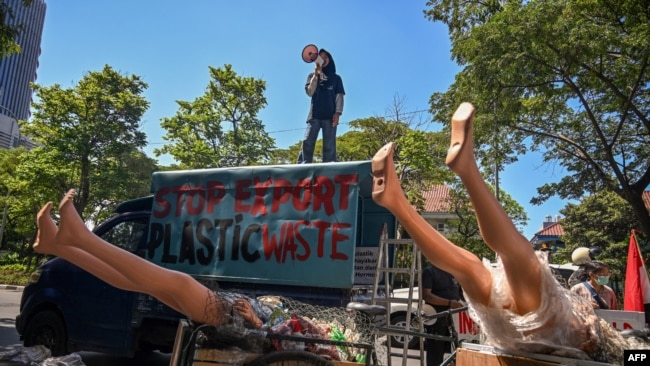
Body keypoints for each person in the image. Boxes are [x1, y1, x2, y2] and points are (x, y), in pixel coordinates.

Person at [369, 102, 642, 364]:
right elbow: (634, 354)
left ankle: (462, 173)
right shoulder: (630, 351)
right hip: (513, 334)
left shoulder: (627, 350)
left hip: (553, 334)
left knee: (512, 256)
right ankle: (399, 202)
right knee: (470, 267)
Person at [33, 190, 265, 329]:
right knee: (143, 284)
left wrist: (258, 323)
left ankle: (80, 238)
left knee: (180, 283)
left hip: (238, 324)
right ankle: (59, 246)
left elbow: (289, 342)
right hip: (238, 314)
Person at [298, 48, 345, 163]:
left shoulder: (336, 78)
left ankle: (329, 168)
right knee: (307, 140)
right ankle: (302, 166)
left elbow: (339, 96)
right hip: (314, 115)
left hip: (330, 117)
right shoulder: (311, 76)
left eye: (325, 57)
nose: (323, 59)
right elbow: (310, 92)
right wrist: (316, 75)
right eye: (320, 57)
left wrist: (337, 113)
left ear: (330, 59)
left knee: (329, 145)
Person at [421, 264, 464, 366]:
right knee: (436, 353)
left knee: (457, 351)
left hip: (454, 319)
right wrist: (449, 303)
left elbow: (460, 293)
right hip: (436, 319)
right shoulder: (429, 271)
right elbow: (427, 296)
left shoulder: (453, 271)